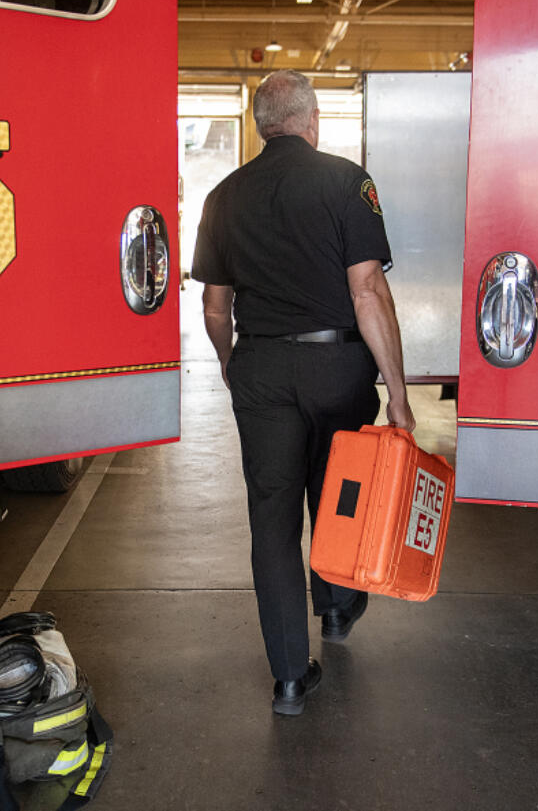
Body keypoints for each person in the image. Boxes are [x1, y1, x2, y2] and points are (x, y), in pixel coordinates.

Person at [192, 70, 415, 716]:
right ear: (313, 120)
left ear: (262, 125)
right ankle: (339, 607)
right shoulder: (348, 182)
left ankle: (290, 675)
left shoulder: (224, 195)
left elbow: (213, 305)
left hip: (262, 367)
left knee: (273, 517)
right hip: (336, 366)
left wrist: (233, 361)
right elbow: (367, 290)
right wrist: (398, 395)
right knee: (339, 490)